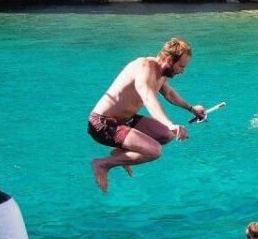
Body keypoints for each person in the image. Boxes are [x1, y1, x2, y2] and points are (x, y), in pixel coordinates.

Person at [88, 38, 205, 192]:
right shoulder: (144, 67)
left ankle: (121, 152)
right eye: (181, 66)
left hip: (125, 120)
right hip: (102, 124)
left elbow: (169, 93)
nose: (182, 71)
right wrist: (170, 123)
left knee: (166, 135)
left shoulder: (162, 72)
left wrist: (191, 109)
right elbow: (148, 97)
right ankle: (102, 164)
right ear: (169, 60)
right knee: (154, 150)